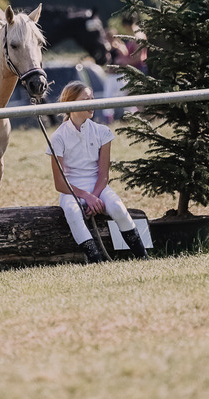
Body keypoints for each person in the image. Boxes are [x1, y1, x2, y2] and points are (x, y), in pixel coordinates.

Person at [46, 81, 149, 263]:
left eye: (93, 98)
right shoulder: (58, 137)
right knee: (72, 211)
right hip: (71, 190)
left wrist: (94, 196)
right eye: (86, 100)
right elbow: (60, 183)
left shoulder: (102, 131)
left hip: (98, 186)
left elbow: (103, 175)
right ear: (71, 103)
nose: (92, 103)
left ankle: (143, 256)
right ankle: (96, 260)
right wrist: (87, 197)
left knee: (118, 207)